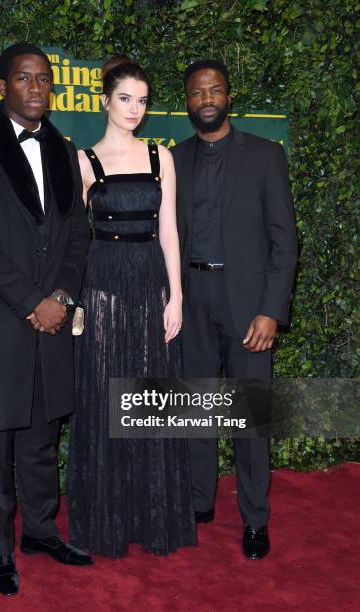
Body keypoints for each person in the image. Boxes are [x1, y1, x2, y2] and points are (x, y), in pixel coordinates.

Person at [0, 42, 92, 597]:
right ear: (3, 85)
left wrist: (61, 296)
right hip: (4, 320)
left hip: (54, 317)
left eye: (44, 80)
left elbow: (78, 235)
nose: (36, 88)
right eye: (23, 78)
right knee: (0, 441)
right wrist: (34, 301)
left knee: (42, 435)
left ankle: (39, 532)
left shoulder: (64, 148)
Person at [67, 56, 197, 558]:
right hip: (101, 285)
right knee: (105, 400)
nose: (134, 110)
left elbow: (169, 231)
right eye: (125, 99)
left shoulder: (161, 157)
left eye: (142, 101)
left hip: (151, 285)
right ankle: (108, 520)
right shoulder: (84, 162)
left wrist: (177, 296)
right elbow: (76, 240)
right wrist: (73, 302)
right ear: (104, 100)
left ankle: (153, 515)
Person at [172, 59, 298, 559]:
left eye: (215, 90)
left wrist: (271, 309)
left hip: (247, 303)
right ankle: (200, 501)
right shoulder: (173, 161)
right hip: (191, 298)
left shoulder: (265, 156)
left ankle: (254, 519)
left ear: (229, 96)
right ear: (186, 102)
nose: (206, 98)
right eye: (197, 92)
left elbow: (284, 241)